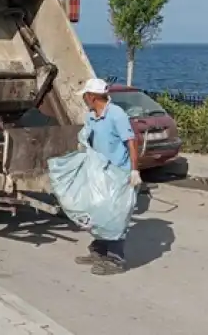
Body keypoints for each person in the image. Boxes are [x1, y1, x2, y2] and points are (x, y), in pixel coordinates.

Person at [74, 78, 142, 275]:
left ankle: (116, 260)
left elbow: (132, 142)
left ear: (92, 96)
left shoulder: (116, 115)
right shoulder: (91, 116)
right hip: (100, 173)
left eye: (85, 96)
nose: (84, 99)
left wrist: (134, 170)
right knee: (99, 213)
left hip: (119, 173)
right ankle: (99, 251)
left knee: (116, 217)